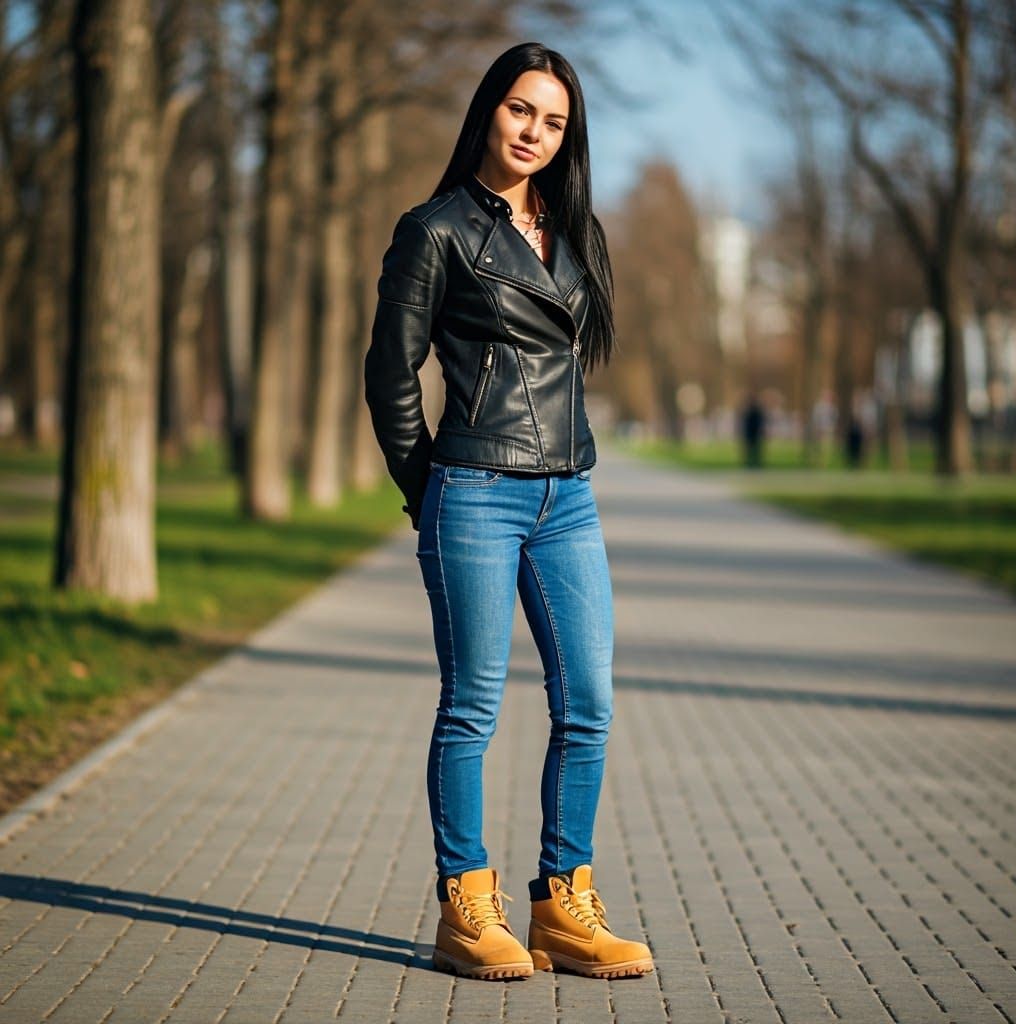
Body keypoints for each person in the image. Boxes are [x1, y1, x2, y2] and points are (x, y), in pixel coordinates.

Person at [364, 42, 654, 983]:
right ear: (489, 109)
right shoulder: (435, 229)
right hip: (476, 492)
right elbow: (390, 374)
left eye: (555, 121)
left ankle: (564, 905)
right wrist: (428, 491)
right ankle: (466, 906)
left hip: (569, 495)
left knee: (589, 703)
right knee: (473, 707)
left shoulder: (577, 234)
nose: (535, 132)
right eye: (521, 109)